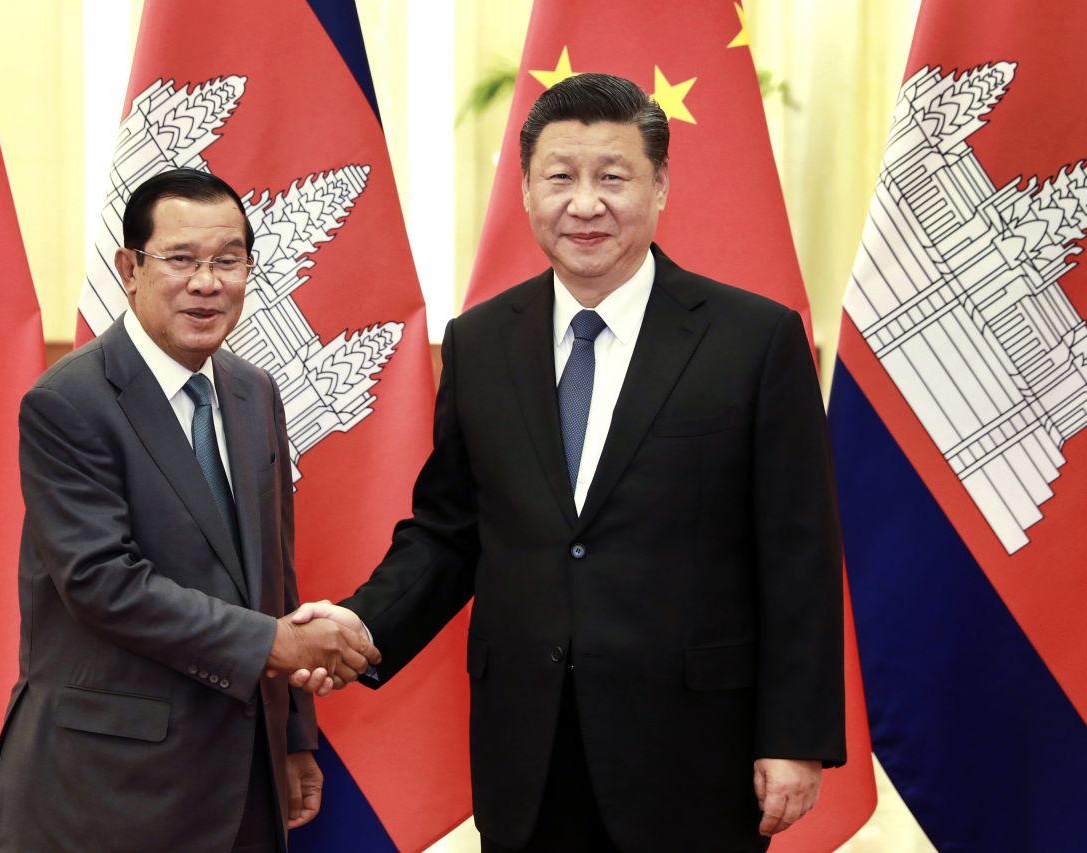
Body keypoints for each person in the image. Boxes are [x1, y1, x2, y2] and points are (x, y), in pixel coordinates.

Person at [293, 74, 845, 851]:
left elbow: (799, 555)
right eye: (561, 177)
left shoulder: (753, 340)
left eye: (612, 177)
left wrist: (794, 736)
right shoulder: (482, 342)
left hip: (693, 755)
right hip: (529, 751)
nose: (585, 204)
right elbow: (451, 530)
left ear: (659, 188)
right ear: (524, 190)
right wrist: (360, 621)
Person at [0, 168, 379, 853]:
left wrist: (291, 736)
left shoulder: (254, 393)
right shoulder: (69, 402)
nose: (207, 282)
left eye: (228, 260)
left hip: (240, 781)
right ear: (129, 268)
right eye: (182, 259)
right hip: (104, 793)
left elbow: (272, 574)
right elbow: (103, 583)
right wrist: (274, 644)